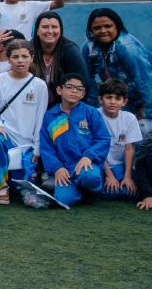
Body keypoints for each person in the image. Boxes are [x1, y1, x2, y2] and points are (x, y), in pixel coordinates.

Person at [84, 7, 152, 133]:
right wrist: (94, 108)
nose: (103, 31)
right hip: (126, 92)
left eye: (108, 26)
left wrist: (148, 111)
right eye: (97, 28)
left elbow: (145, 80)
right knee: (114, 125)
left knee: (145, 128)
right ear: (91, 30)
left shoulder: (127, 47)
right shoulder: (89, 47)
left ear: (117, 26)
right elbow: (87, 77)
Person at [0, 39, 48, 203]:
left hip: (27, 144)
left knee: (22, 186)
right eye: (15, 57)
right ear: (8, 59)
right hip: (5, 136)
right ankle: (1, 187)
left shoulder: (39, 85)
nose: (20, 61)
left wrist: (37, 149)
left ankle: (15, 182)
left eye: (24, 56)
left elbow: (41, 119)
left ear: (31, 58)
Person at [38, 73, 111, 208]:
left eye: (79, 89)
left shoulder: (90, 112)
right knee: (62, 200)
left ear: (83, 94)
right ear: (59, 90)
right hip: (65, 168)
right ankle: (78, 191)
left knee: (90, 177)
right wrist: (57, 168)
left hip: (86, 165)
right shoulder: (50, 116)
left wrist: (89, 156)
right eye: (70, 87)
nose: (74, 91)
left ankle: (92, 193)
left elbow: (103, 139)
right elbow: (46, 148)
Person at [97, 78, 143, 202]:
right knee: (111, 193)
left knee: (129, 192)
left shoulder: (129, 118)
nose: (113, 102)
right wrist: (109, 176)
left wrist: (127, 177)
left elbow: (129, 149)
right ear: (100, 99)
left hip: (119, 166)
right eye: (109, 97)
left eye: (118, 98)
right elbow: (95, 150)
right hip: (100, 165)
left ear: (124, 102)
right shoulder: (95, 116)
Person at [30, 11, 90, 99]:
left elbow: (82, 82)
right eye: (45, 27)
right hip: (33, 100)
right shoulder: (28, 50)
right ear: (37, 31)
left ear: (60, 30)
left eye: (54, 27)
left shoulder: (70, 50)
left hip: (63, 105)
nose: (50, 31)